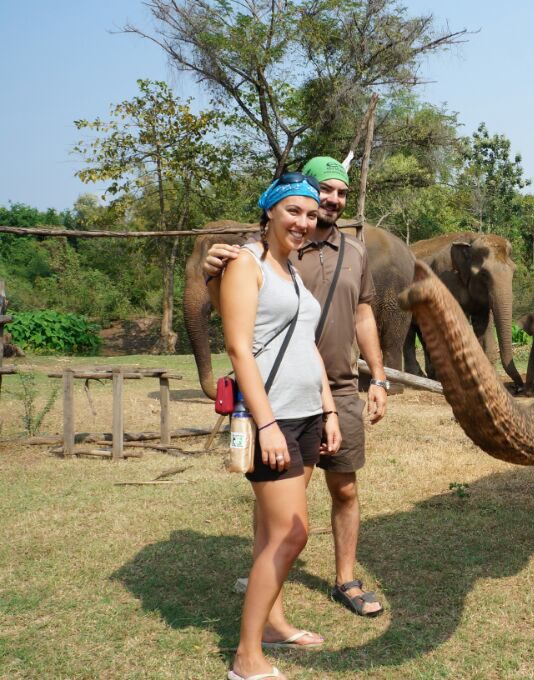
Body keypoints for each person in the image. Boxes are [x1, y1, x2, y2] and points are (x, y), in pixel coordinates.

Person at [206, 156, 389, 619]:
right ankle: (269, 590)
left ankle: (345, 578)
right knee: (284, 501)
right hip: (282, 396)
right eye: (321, 191)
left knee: (344, 488)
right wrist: (212, 275)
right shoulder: (273, 250)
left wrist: (380, 376)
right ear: (279, 208)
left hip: (338, 389)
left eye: (339, 194)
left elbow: (364, 313)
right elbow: (238, 325)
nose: (330, 201)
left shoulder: (354, 252)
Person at [220, 173, 342, 680]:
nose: (304, 222)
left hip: (307, 414)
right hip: (274, 419)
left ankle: (272, 625)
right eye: (293, 211)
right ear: (268, 211)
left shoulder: (290, 271)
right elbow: (238, 348)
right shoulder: (245, 265)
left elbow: (307, 346)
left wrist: (329, 408)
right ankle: (246, 656)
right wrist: (267, 424)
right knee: (292, 535)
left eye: (311, 215)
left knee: (275, 531)